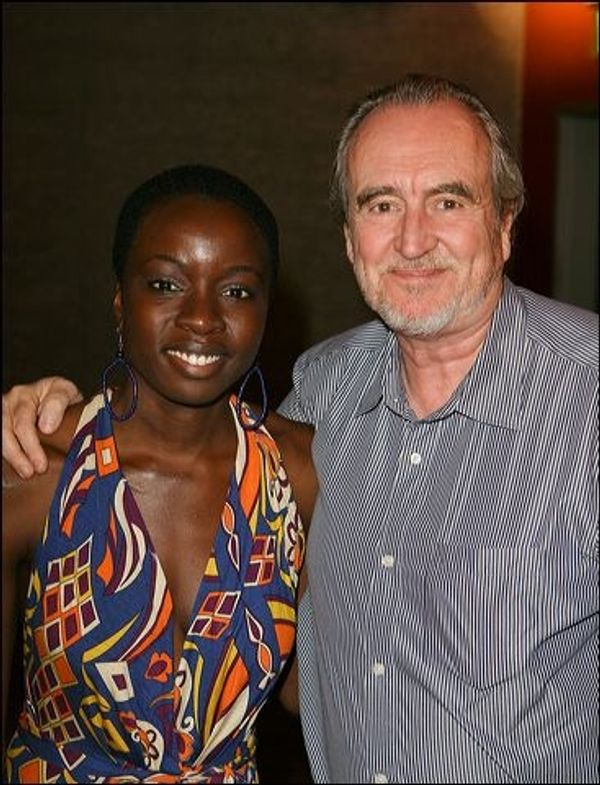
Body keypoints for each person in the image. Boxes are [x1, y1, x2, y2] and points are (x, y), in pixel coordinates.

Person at [3, 73, 598, 783]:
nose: (413, 239)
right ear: (350, 238)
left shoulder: (586, 400)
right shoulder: (323, 393)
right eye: (382, 203)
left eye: (448, 199)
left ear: (504, 224)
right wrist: (48, 405)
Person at [2, 164, 316, 782]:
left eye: (237, 291)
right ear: (121, 302)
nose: (202, 317)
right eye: (167, 284)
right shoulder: (36, 471)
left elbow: (313, 694)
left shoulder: (300, 476)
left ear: (267, 312)